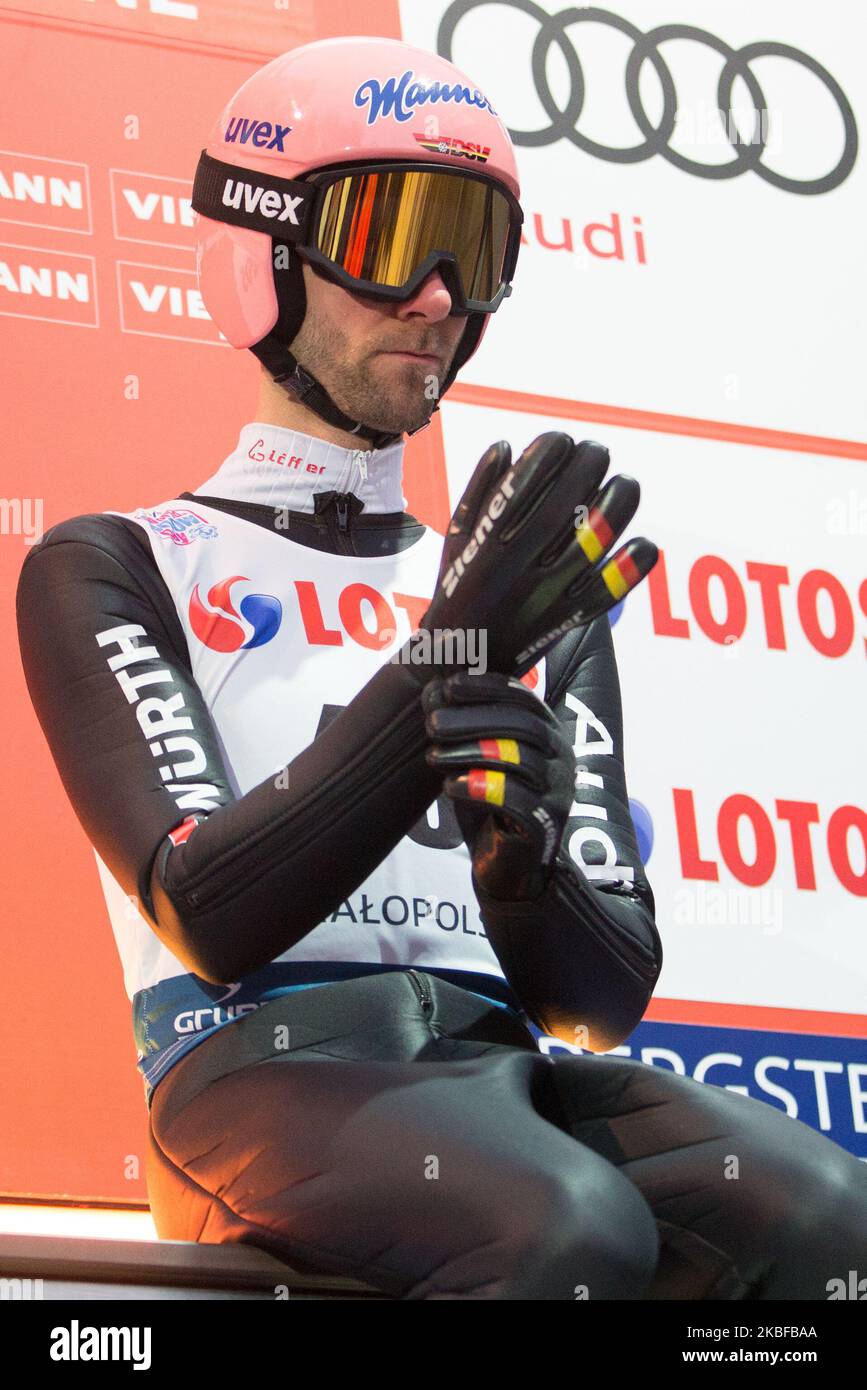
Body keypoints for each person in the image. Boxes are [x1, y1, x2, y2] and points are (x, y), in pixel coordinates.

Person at [16, 36, 867, 1300]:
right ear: (268, 251)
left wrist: (520, 866)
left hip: (503, 1073)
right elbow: (211, 910)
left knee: (828, 1217)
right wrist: (441, 664)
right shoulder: (118, 562)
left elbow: (602, 996)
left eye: (477, 250)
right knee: (569, 1230)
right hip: (252, 1072)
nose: (436, 296)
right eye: (391, 233)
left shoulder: (525, 591)